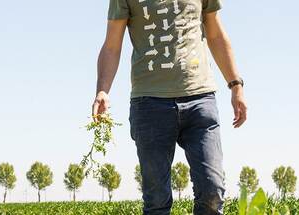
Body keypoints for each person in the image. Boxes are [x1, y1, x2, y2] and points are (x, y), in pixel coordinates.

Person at [92, 0, 246, 214]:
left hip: (200, 99)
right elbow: (111, 45)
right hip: (149, 104)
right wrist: (103, 90)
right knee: (157, 201)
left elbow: (215, 34)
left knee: (212, 189)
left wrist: (235, 84)